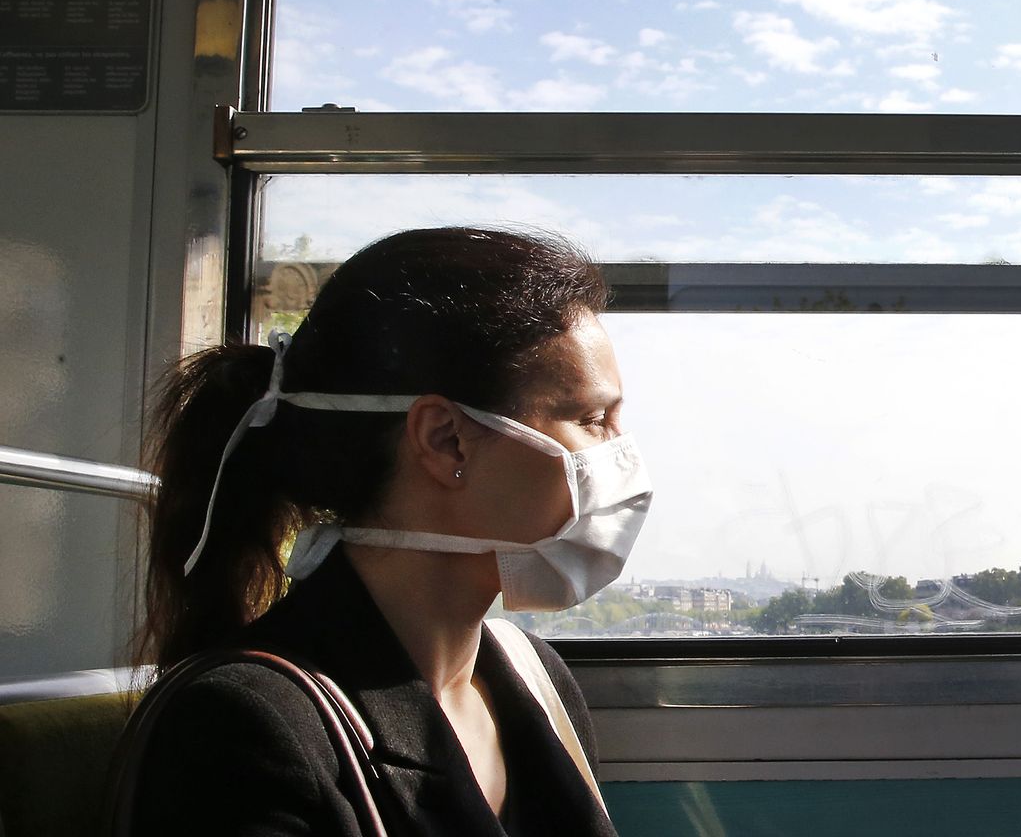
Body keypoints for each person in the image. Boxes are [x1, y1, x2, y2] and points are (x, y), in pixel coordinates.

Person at [124, 227, 647, 835]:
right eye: (591, 420)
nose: (621, 455)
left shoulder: (536, 677)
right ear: (445, 439)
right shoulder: (243, 726)